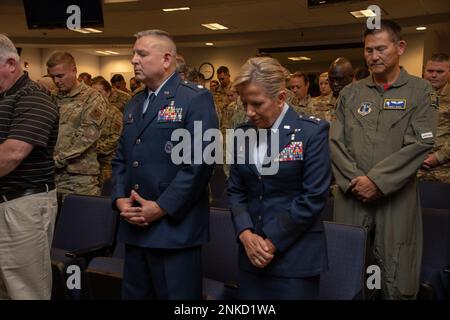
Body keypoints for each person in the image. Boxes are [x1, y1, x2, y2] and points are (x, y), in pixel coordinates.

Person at [329, 20, 437, 299]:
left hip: (396, 197)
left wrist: (376, 182)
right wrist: (357, 181)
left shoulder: (420, 91)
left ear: (399, 47)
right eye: (368, 50)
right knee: (347, 268)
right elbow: (335, 142)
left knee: (396, 272)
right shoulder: (351, 94)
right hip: (352, 195)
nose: (374, 56)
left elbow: (421, 142)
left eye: (381, 49)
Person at [112, 29, 218, 299]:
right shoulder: (135, 103)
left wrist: (161, 207)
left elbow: (199, 165)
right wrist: (119, 199)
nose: (134, 60)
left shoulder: (194, 98)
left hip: (173, 229)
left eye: (142, 54)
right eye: (133, 54)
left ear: (166, 59)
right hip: (135, 225)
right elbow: (122, 157)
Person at [227, 57, 331, 300]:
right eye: (244, 104)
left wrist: (270, 242)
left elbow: (313, 197)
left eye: (257, 104)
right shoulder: (242, 134)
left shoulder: (311, 132)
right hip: (250, 256)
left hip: (295, 258)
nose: (249, 112)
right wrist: (245, 233)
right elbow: (235, 190)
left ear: (281, 97)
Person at [0, 35, 59, 299]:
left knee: (24, 290)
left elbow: (12, 154)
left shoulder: (34, 97)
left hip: (22, 206)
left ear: (11, 64)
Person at [47, 52, 107, 199]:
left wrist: (57, 160)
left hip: (79, 179)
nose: (56, 81)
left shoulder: (92, 98)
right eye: (52, 77)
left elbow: (86, 137)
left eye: (60, 76)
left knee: (78, 220)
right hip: (51, 177)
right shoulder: (52, 97)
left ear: (74, 70)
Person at [419, 53, 450, 183]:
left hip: (444, 172)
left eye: (439, 71)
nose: (433, 75)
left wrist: (438, 157)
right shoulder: (415, 95)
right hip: (415, 170)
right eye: (430, 71)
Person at [91, 78, 123, 187]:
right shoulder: (90, 112)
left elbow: (115, 138)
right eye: (93, 92)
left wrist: (94, 149)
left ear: (108, 93)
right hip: (91, 163)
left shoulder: (114, 113)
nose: (96, 96)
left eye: (99, 92)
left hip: (107, 164)